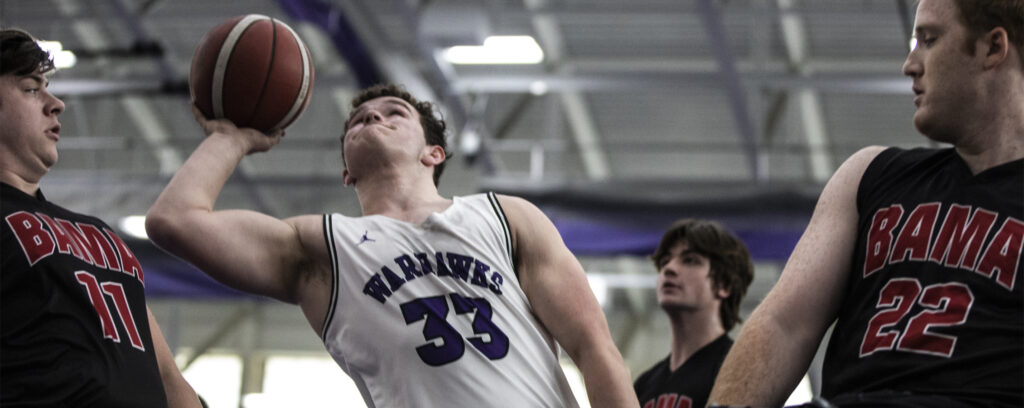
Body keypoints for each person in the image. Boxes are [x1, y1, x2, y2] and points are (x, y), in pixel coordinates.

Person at [145, 83, 638, 407]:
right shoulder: (321, 246)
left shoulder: (505, 216)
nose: (371, 120)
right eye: (357, 120)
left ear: (433, 152)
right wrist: (230, 138)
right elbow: (174, 220)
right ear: (346, 170)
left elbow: (594, 347)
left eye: (393, 113)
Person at [708, 0, 1023, 407]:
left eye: (929, 40)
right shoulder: (870, 175)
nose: (910, 65)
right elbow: (784, 325)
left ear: (993, 48)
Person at [0, 28, 202, 407]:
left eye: (48, 86)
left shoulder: (99, 233)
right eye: (31, 89)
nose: (55, 102)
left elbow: (167, 376)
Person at [633, 219, 754, 408]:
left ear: (724, 284)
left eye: (690, 260)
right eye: (665, 261)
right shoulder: (643, 385)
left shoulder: (737, 368)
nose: (669, 269)